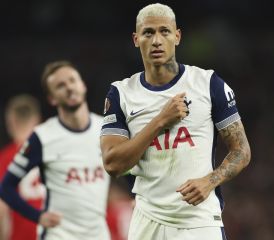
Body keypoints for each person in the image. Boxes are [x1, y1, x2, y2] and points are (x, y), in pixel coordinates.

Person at [100, 3, 251, 240]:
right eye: (148, 32)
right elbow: (113, 165)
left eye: (165, 31)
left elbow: (242, 151)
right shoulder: (121, 93)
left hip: (199, 220)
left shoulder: (208, 83)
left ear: (177, 36)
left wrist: (209, 181)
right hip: (147, 220)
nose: (157, 40)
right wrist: (160, 120)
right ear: (136, 39)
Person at [0, 61, 110, 240]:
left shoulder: (105, 130)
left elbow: (127, 169)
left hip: (98, 235)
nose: (69, 88)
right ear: (52, 98)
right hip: (59, 235)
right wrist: (37, 216)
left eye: (72, 80)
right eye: (60, 85)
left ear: (83, 85)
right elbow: (6, 187)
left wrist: (135, 196)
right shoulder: (42, 137)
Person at [0, 94, 43, 240]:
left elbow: (1, 210)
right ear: (36, 120)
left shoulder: (6, 158)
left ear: (11, 121)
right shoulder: (52, 152)